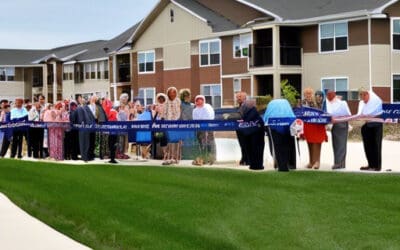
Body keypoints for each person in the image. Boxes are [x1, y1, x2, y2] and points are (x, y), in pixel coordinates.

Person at [264, 99, 296, 171]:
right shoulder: (286, 104)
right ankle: (287, 164)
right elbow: (292, 116)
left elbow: (265, 117)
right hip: (287, 125)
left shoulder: (271, 105)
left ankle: (279, 164)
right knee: (287, 145)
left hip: (273, 126)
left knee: (276, 145)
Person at [357, 88, 383, 171]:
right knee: (367, 146)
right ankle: (370, 164)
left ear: (368, 94)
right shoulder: (361, 103)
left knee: (376, 146)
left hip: (376, 126)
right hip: (367, 126)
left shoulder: (376, 101)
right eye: (361, 95)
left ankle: (377, 166)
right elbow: (360, 114)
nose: (363, 96)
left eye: (364, 94)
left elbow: (381, 113)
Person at [301, 88, 327, 169]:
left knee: (317, 143)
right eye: (306, 94)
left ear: (312, 94)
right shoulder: (302, 102)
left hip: (317, 126)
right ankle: (311, 162)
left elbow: (321, 112)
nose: (308, 95)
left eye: (309, 93)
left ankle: (317, 162)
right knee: (309, 143)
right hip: (308, 126)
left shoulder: (317, 101)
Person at [326, 90, 351, 170]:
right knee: (336, 144)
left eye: (330, 95)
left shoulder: (342, 103)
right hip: (334, 124)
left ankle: (339, 163)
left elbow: (349, 114)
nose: (328, 96)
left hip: (342, 123)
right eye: (327, 95)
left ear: (334, 95)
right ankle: (339, 163)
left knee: (341, 144)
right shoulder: (327, 103)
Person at [238, 99, 265, 170]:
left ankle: (253, 164)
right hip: (257, 133)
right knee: (258, 149)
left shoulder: (245, 113)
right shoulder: (255, 113)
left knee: (250, 148)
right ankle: (258, 165)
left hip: (248, 133)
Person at [192, 95, 216, 165]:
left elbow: (209, 117)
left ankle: (212, 158)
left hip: (209, 128)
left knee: (210, 143)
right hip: (199, 129)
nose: (199, 103)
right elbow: (195, 120)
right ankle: (203, 158)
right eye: (197, 101)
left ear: (203, 101)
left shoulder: (207, 107)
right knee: (201, 144)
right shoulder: (194, 110)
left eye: (200, 101)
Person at [162, 87, 181, 165]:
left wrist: (175, 121)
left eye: (173, 93)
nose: (172, 94)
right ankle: (168, 158)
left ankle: (176, 158)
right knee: (169, 142)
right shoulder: (166, 102)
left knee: (176, 142)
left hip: (177, 124)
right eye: (170, 93)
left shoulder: (178, 101)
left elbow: (179, 112)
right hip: (168, 124)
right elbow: (164, 113)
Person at [235, 91, 249, 165]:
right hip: (239, 129)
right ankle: (244, 158)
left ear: (245, 97)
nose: (238, 98)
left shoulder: (247, 105)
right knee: (242, 144)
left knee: (246, 144)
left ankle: (247, 159)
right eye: (237, 97)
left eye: (240, 97)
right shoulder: (239, 106)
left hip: (246, 128)